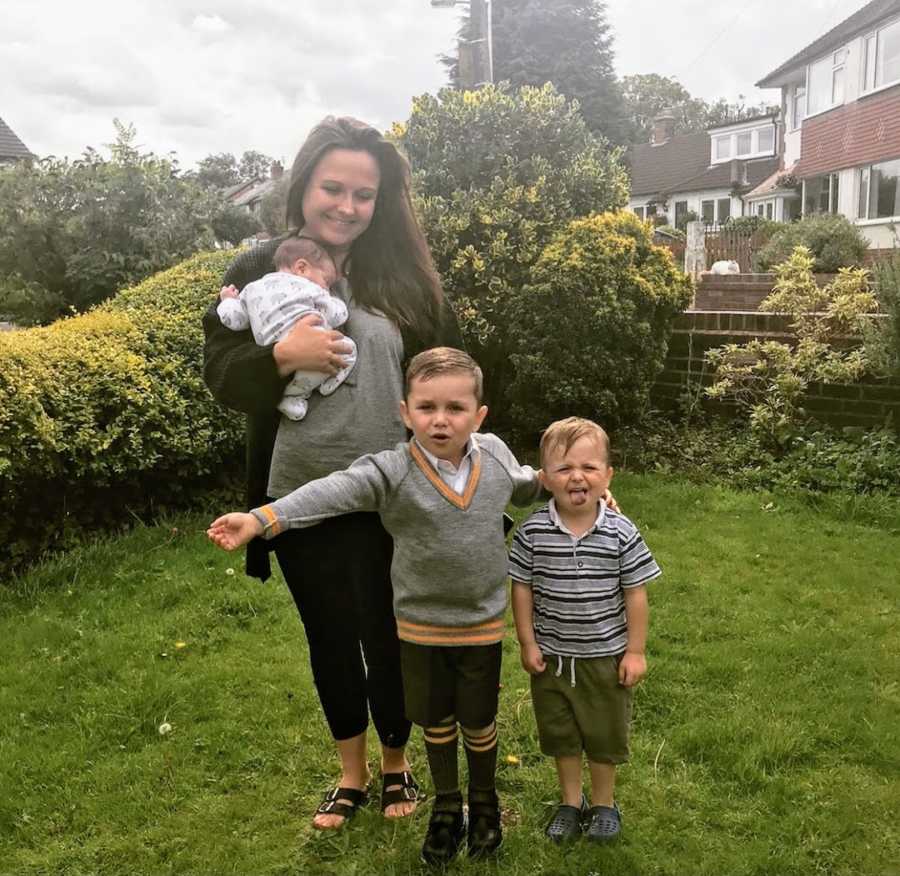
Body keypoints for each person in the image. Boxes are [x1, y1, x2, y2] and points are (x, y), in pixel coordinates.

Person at [202, 116, 463, 831]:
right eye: (333, 188)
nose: (347, 206)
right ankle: (350, 773)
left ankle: (395, 764)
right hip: (298, 498)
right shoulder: (262, 266)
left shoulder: (400, 276)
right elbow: (220, 371)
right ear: (303, 185)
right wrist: (284, 359)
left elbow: (451, 374)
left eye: (364, 194)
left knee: (391, 634)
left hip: (394, 496)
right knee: (330, 635)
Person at [207, 348, 543, 864]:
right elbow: (332, 491)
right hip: (420, 629)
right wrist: (263, 518)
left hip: (481, 626)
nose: (440, 419)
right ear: (405, 413)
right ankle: (447, 808)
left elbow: (527, 485)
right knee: (435, 721)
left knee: (478, 720)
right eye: (426, 407)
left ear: (478, 416)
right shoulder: (391, 471)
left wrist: (574, 486)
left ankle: (485, 802)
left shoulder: (494, 454)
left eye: (455, 408)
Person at [508, 417, 661, 844]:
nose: (577, 476)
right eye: (564, 468)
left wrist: (635, 651)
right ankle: (571, 803)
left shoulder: (621, 533)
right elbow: (521, 588)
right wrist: (527, 641)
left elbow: (636, 594)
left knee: (602, 736)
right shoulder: (532, 533)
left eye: (590, 467)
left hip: (604, 659)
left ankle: (605, 805)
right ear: (545, 479)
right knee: (563, 737)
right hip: (553, 660)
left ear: (608, 475)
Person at [217, 236, 357, 421]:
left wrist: (227, 301)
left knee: (293, 386)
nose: (326, 287)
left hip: (286, 378)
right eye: (326, 280)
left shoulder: (251, 289)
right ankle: (329, 384)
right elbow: (338, 315)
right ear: (302, 268)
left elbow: (234, 320)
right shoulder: (308, 287)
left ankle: (290, 399)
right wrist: (335, 301)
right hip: (322, 363)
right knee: (349, 348)